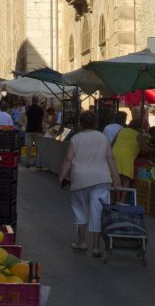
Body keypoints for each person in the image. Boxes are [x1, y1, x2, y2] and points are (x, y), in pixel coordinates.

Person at [58, 110, 120, 257]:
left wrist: (62, 176)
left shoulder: (76, 139)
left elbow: (68, 159)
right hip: (100, 179)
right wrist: (116, 178)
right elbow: (110, 158)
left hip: (80, 179)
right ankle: (96, 247)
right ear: (95, 123)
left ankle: (81, 242)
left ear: (81, 123)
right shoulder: (103, 138)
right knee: (97, 212)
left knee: (80, 210)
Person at [112, 121, 142, 189]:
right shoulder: (137, 134)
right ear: (139, 127)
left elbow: (112, 143)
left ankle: (115, 198)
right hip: (127, 157)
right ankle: (122, 199)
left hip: (115, 155)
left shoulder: (121, 130)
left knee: (115, 177)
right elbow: (144, 148)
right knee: (126, 179)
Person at [23, 96, 46, 168]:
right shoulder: (40, 109)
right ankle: (38, 163)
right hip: (38, 130)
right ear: (38, 100)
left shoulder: (29, 109)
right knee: (38, 147)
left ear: (32, 101)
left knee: (28, 147)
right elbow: (42, 119)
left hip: (29, 130)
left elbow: (27, 116)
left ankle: (27, 162)